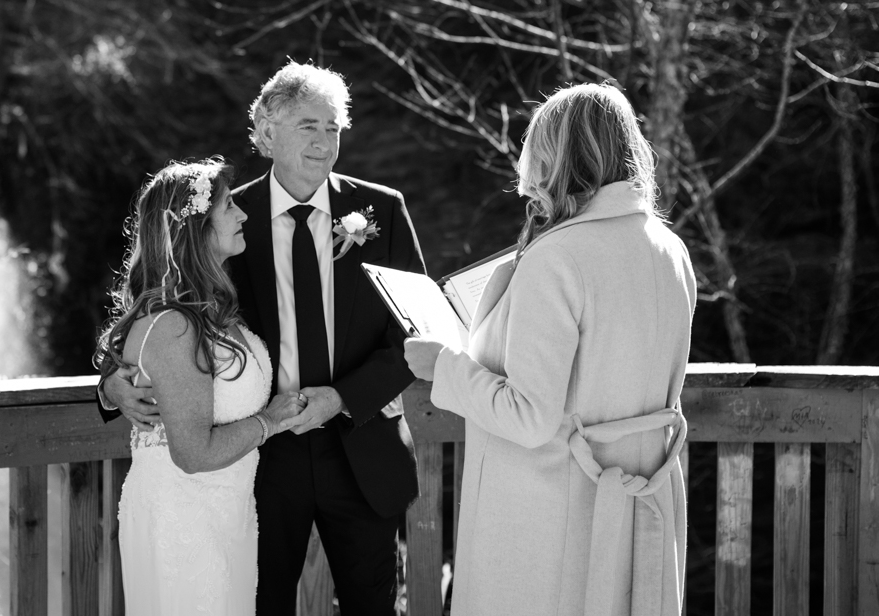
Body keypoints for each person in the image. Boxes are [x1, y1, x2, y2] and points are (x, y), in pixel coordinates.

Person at [103, 61, 426, 615]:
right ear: (268, 132)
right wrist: (111, 386)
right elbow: (156, 307)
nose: (325, 141)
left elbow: (418, 338)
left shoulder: (383, 212)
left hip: (362, 448)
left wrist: (343, 398)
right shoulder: (224, 218)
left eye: (334, 127)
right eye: (309, 126)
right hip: (257, 464)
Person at [404, 82, 696, 616]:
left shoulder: (558, 258)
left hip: (547, 523)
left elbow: (530, 416)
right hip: (637, 508)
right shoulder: (670, 249)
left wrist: (443, 366)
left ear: (561, 157)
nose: (529, 176)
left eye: (537, 154)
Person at [93, 158, 305, 616]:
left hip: (227, 513)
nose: (243, 214)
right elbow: (192, 454)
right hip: (182, 519)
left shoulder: (210, 310)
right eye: (229, 206)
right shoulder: (174, 325)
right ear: (194, 227)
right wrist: (271, 420)